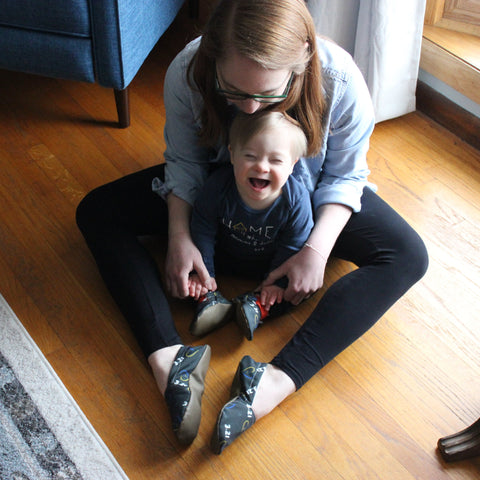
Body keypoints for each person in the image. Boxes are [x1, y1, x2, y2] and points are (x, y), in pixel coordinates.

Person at [76, 0, 429, 453]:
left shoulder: (341, 81)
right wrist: (181, 236)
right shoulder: (188, 69)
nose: (247, 108)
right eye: (233, 91)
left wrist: (316, 251)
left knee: (408, 255)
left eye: (267, 95)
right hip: (217, 199)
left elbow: (345, 177)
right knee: (96, 211)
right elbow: (184, 162)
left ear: (301, 62)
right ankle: (170, 359)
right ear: (213, 59)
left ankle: (275, 381)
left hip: (303, 209)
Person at [188, 110, 313, 341]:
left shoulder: (296, 200)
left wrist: (276, 282)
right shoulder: (218, 187)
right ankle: (208, 301)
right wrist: (203, 272)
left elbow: (294, 244)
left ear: (293, 164)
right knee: (187, 279)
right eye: (251, 156)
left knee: (298, 290)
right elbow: (202, 228)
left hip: (270, 266)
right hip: (222, 258)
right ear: (232, 154)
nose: (262, 167)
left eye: (275, 160)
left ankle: (256, 307)